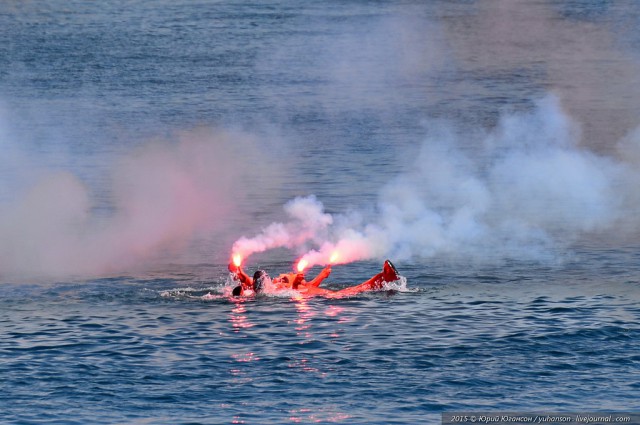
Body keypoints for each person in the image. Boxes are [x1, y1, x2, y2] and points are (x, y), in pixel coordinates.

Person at [228, 259, 400, 298]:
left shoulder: (271, 288)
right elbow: (297, 289)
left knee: (359, 288)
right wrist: (294, 282)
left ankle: (385, 277)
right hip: (327, 296)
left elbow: (306, 286)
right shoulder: (273, 291)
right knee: (358, 289)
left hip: (321, 293)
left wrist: (322, 275)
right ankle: (385, 278)